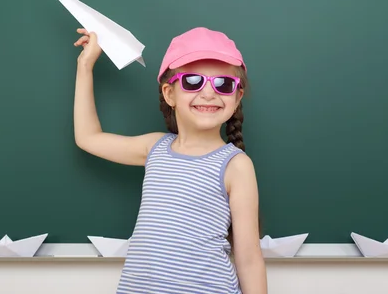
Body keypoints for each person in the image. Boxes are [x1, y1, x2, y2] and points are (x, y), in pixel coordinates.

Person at [72, 26, 268, 294]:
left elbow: (248, 259)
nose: (209, 93)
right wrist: (86, 66)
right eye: (192, 81)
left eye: (223, 84)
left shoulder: (236, 165)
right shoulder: (155, 148)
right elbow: (88, 138)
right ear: (169, 93)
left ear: (237, 97)